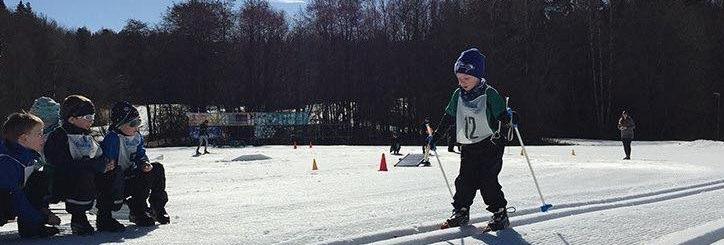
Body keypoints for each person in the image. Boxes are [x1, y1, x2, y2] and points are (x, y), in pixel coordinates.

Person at [435, 48, 517, 231]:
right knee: (464, 180)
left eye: (466, 78)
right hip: (469, 145)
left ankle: (500, 213)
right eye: (459, 78)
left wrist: (507, 124)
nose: (462, 83)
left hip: (490, 145)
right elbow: (448, 117)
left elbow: (503, 117)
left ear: (478, 76)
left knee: (488, 181)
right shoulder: (458, 95)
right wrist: (436, 136)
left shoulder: (490, 94)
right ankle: (461, 211)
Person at [44, 95, 114, 235]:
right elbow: (61, 163)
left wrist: (105, 165)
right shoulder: (59, 136)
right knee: (84, 175)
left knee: (114, 174)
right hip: (65, 181)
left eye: (92, 116)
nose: (91, 120)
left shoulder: (87, 136)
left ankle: (105, 216)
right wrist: (90, 165)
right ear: (71, 119)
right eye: (87, 117)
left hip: (88, 177)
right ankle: (78, 218)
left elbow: (99, 155)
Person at [99, 101, 170, 230]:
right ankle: (110, 215)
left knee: (157, 168)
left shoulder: (137, 137)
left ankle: (156, 207)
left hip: (131, 176)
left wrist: (144, 163)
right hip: (114, 181)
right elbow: (107, 160)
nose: (137, 127)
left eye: (138, 122)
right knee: (116, 173)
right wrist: (109, 164)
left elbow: (140, 154)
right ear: (120, 125)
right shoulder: (113, 138)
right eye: (133, 123)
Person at [0, 112, 61, 238]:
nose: (43, 138)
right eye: (39, 134)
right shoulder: (6, 162)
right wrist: (43, 217)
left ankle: (31, 228)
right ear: (24, 139)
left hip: (13, 199)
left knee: (39, 178)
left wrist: (42, 209)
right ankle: (33, 223)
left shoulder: (28, 158)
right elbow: (16, 197)